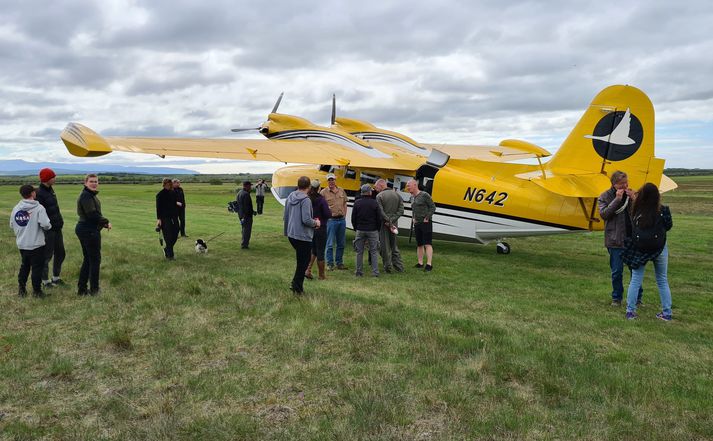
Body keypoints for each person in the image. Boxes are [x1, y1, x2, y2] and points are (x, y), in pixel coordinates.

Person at [623, 183, 674, 321]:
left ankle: (630, 311)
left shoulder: (636, 209)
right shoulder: (663, 210)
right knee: (662, 280)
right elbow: (668, 226)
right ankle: (667, 312)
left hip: (641, 249)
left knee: (635, 280)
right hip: (660, 247)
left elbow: (633, 227)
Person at [598, 171, 643, 306]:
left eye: (626, 182)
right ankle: (617, 298)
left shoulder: (631, 194)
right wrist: (617, 200)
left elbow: (641, 212)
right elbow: (604, 214)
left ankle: (637, 298)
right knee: (617, 271)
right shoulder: (605, 196)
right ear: (614, 184)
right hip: (615, 239)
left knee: (635, 271)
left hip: (632, 239)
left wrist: (635, 199)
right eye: (621, 184)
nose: (625, 185)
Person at [10, 185, 51, 297]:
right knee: (37, 268)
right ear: (33, 193)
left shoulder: (16, 208)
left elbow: (12, 224)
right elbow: (46, 225)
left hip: (22, 243)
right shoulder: (39, 208)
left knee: (25, 266)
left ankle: (22, 290)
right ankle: (37, 291)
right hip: (36, 244)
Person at [284, 176, 321, 294]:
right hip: (302, 236)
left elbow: (286, 215)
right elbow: (306, 220)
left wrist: (286, 231)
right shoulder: (306, 200)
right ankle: (297, 287)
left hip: (292, 234)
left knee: (302, 261)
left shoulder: (290, 196)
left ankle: (295, 284)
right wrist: (316, 223)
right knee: (304, 262)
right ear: (309, 187)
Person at [76, 174, 111, 296]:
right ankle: (94, 290)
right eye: (91, 181)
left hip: (87, 228)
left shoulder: (90, 195)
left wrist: (102, 223)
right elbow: (92, 214)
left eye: (96, 181)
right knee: (95, 260)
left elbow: (94, 214)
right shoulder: (86, 196)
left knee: (88, 259)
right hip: (88, 230)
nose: (94, 183)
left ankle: (82, 289)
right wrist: (105, 221)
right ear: (85, 182)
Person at [36, 167, 66, 288]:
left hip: (57, 228)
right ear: (47, 179)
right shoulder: (39, 193)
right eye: (53, 177)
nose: (55, 178)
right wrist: (46, 227)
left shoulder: (50, 190)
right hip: (47, 230)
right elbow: (39, 215)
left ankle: (56, 277)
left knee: (61, 253)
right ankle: (45, 281)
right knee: (46, 256)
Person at [352, 184, 382, 277]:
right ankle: (375, 272)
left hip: (360, 229)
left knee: (359, 251)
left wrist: (356, 228)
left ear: (361, 192)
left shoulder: (357, 203)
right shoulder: (375, 203)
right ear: (370, 192)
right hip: (372, 230)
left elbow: (353, 218)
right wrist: (377, 228)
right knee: (373, 251)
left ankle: (358, 272)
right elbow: (379, 218)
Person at [375, 179, 405, 273]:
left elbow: (380, 211)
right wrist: (393, 221)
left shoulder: (379, 196)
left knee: (385, 246)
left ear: (381, 186)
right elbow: (401, 211)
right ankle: (399, 267)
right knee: (394, 246)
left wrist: (388, 221)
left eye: (376, 187)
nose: (376, 189)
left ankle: (387, 267)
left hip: (384, 224)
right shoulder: (397, 195)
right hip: (394, 224)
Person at [320, 173, 348, 270]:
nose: (331, 182)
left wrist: (344, 215)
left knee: (341, 243)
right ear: (327, 181)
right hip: (331, 221)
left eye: (332, 180)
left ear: (335, 180)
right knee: (330, 244)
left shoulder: (341, 190)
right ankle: (330, 264)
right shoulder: (323, 192)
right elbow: (320, 207)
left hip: (341, 220)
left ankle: (339, 263)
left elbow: (345, 203)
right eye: (329, 180)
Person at [305, 179, 331, 280]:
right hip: (320, 228)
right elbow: (327, 214)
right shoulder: (321, 199)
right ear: (319, 188)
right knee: (320, 251)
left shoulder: (307, 198)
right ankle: (321, 275)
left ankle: (308, 270)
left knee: (314, 250)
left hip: (310, 227)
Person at [407, 179, 436, 271]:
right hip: (417, 223)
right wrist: (413, 218)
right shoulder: (412, 197)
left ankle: (429, 264)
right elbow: (414, 209)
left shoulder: (424, 195)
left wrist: (427, 217)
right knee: (419, 244)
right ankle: (420, 263)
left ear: (415, 185)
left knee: (427, 243)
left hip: (426, 223)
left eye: (409, 185)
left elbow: (433, 207)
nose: (407, 188)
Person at [156, 178, 180, 259]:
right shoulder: (160, 195)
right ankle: (170, 256)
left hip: (174, 217)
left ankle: (167, 249)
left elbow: (174, 203)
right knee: (168, 236)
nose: (171, 186)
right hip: (164, 218)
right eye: (170, 184)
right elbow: (158, 208)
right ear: (165, 184)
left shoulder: (173, 193)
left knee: (176, 233)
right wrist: (159, 219)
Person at [236, 181, 256, 249]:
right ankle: (244, 245)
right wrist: (250, 213)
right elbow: (247, 207)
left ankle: (244, 242)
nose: (250, 187)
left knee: (244, 229)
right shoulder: (246, 194)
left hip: (241, 214)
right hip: (246, 216)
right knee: (247, 230)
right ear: (246, 186)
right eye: (250, 186)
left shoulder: (239, 192)